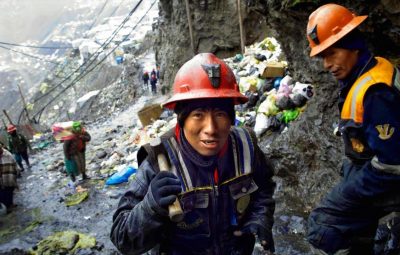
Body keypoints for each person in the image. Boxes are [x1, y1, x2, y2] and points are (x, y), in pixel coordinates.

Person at [110, 53, 276, 254]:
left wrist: (259, 220)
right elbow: (123, 240)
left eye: (220, 114)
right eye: (198, 115)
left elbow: (264, 190)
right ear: (182, 119)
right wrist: (150, 207)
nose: (211, 128)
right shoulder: (158, 158)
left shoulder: (246, 146)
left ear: (231, 118)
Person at [305, 4, 400, 254]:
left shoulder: (375, 92)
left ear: (354, 44)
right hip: (377, 168)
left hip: (391, 177)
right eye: (323, 56)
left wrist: (352, 190)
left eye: (332, 53)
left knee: (322, 226)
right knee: (353, 211)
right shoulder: (372, 69)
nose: (327, 64)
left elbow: (391, 166)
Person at [0, 143, 19, 213]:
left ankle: (10, 204)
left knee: (10, 190)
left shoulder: (7, 154)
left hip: (9, 177)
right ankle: (7, 205)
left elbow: (14, 163)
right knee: (2, 194)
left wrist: (17, 171)